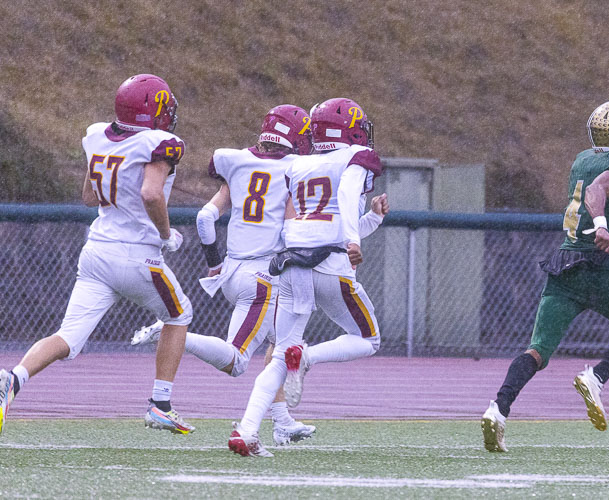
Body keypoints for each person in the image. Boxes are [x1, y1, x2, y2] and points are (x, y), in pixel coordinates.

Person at [0, 74, 194, 435]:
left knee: (69, 336)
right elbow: (152, 194)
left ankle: (13, 379)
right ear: (153, 111)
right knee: (180, 315)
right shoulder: (161, 142)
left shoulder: (97, 135)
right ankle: (161, 405)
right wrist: (166, 235)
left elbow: (90, 198)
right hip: (137, 253)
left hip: (96, 252)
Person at [131, 104, 319, 446]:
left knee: (284, 339)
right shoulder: (296, 169)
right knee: (237, 361)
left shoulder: (237, 162)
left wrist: (214, 263)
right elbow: (293, 232)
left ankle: (281, 422)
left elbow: (205, 218)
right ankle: (173, 335)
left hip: (232, 270)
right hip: (263, 278)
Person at [481, 100, 609, 452]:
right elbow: (597, 193)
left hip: (563, 268)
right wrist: (604, 227)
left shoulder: (583, 158)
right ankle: (595, 377)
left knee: (537, 351)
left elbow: (596, 199)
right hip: (600, 268)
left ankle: (497, 410)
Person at [227, 97, 385, 457]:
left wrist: (370, 221)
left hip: (293, 262)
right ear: (351, 129)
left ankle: (247, 431)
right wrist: (353, 239)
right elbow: (344, 195)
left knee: (281, 353)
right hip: (330, 262)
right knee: (367, 338)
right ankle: (309, 357)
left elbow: (317, 219)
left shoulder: (298, 164)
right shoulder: (356, 157)